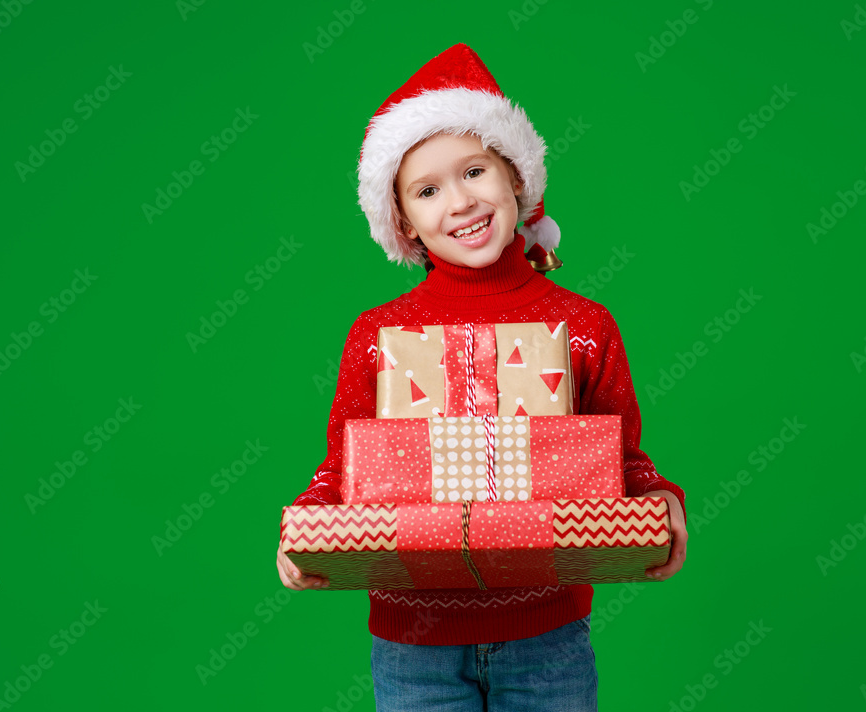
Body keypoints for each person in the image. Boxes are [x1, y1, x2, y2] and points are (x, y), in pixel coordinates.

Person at [275, 43, 688, 711]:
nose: (460, 201)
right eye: (428, 189)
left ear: (517, 179)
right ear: (404, 219)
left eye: (474, 171)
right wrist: (310, 527)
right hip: (414, 641)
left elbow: (620, 460)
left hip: (547, 632)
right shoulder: (377, 334)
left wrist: (660, 497)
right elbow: (343, 466)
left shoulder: (584, 324)